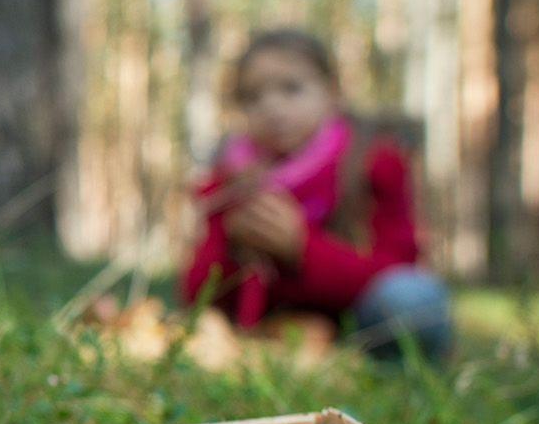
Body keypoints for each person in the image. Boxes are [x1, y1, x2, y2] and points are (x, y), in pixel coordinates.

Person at [181, 29, 453, 360]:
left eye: (291, 88)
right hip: (278, 337)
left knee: (413, 300)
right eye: (253, 97)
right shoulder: (232, 183)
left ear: (332, 93)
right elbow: (196, 295)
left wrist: (302, 250)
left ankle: (387, 367)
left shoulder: (373, 164)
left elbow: (398, 274)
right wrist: (233, 245)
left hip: (361, 328)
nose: (272, 106)